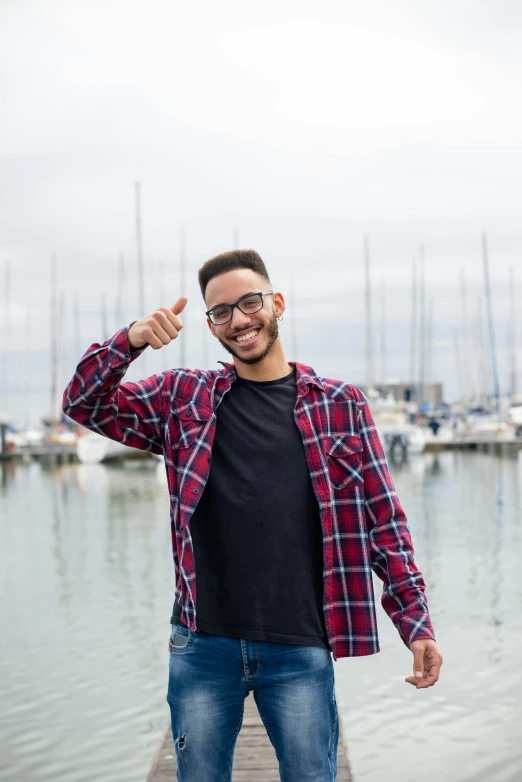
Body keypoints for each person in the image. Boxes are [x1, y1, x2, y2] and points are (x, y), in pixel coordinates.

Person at [63, 249, 442, 782]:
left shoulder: (341, 405)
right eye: (221, 312)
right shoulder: (182, 398)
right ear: (211, 324)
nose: (239, 320)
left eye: (249, 302)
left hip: (301, 646)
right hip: (201, 645)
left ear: (276, 303)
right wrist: (128, 341)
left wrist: (415, 621)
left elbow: (385, 523)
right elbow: (83, 404)